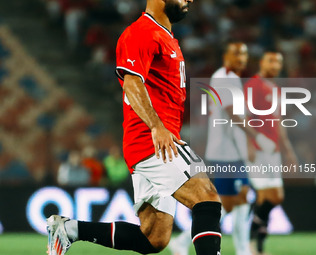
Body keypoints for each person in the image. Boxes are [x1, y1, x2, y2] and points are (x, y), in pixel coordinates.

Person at [47, 0, 223, 254]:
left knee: (153, 237)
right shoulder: (141, 32)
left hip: (152, 142)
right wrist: (156, 126)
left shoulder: (166, 36)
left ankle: (70, 229)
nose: (190, 0)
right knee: (206, 197)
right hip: (154, 142)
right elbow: (131, 83)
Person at [169, 42, 275, 255]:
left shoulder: (234, 79)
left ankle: (242, 249)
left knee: (242, 198)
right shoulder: (222, 77)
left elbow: (241, 116)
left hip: (234, 152)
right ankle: (182, 241)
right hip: (224, 152)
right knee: (226, 203)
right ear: (225, 56)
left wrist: (248, 146)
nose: (241, 58)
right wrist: (258, 139)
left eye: (244, 54)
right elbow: (232, 114)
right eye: (236, 54)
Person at [244, 51, 298, 255]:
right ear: (262, 63)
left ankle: (256, 245)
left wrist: (288, 151)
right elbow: (246, 117)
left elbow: (279, 123)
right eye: (271, 60)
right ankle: (252, 245)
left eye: (278, 61)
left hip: (273, 150)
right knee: (270, 196)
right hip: (258, 148)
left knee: (272, 198)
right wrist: (249, 144)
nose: (275, 64)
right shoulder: (253, 85)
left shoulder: (275, 89)